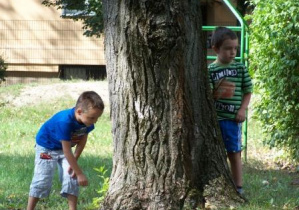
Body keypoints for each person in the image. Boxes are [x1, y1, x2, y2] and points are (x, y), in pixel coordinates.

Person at [27, 91, 104, 210]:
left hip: (64, 149)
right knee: (43, 178)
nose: (95, 121)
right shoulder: (64, 121)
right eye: (92, 117)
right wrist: (79, 173)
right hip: (47, 148)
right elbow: (67, 150)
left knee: (71, 177)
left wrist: (75, 161)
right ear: (79, 111)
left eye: (97, 118)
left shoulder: (87, 121)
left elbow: (83, 139)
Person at [208, 27, 253, 195]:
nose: (233, 52)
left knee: (234, 152)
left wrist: (242, 109)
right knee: (216, 153)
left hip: (233, 119)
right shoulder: (211, 70)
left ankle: (238, 186)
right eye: (228, 48)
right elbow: (209, 95)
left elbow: (248, 90)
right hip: (216, 120)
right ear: (216, 49)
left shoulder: (240, 68)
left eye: (235, 48)